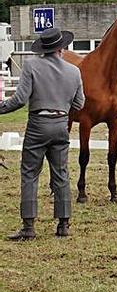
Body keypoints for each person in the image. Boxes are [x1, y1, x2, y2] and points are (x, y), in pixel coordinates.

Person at [2, 28, 84, 240]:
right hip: (60, 124)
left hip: (38, 124)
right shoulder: (74, 71)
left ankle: (28, 227)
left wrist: (1, 108)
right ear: (61, 49)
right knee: (61, 174)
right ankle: (63, 224)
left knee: (30, 173)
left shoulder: (31, 65)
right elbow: (79, 103)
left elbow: (19, 100)